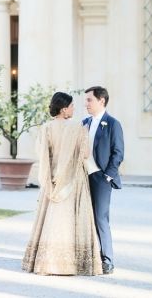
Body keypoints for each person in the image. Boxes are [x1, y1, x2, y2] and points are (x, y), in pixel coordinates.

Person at [22, 91, 103, 276]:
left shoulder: (46, 128)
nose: (75, 108)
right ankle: (73, 264)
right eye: (72, 106)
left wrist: (51, 176)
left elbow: (43, 155)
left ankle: (46, 262)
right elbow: (85, 154)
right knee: (71, 219)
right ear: (64, 108)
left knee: (51, 218)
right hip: (73, 180)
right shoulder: (78, 128)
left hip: (52, 181)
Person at [83, 85, 124, 274]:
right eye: (86, 100)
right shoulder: (84, 122)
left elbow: (118, 153)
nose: (86, 104)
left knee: (101, 218)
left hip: (101, 177)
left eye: (89, 100)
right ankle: (89, 257)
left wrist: (108, 175)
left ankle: (107, 260)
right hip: (83, 177)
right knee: (85, 217)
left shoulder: (113, 124)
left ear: (102, 101)